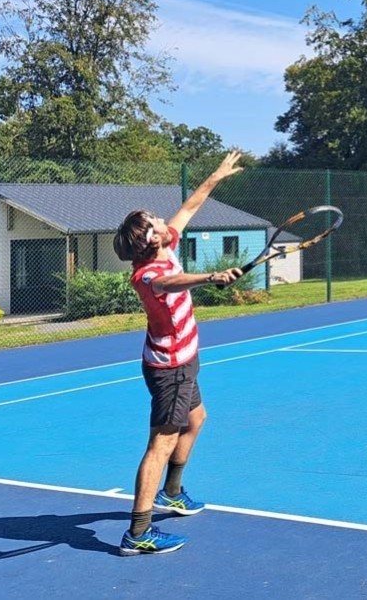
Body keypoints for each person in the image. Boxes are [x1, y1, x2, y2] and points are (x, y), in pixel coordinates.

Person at [111, 151, 245, 555]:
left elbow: (191, 205)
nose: (158, 221)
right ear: (148, 240)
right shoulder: (148, 272)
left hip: (185, 359)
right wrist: (211, 276)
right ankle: (137, 534)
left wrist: (217, 175)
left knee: (197, 419)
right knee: (160, 443)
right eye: (152, 222)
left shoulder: (164, 242)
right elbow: (171, 282)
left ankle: (172, 491)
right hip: (169, 368)